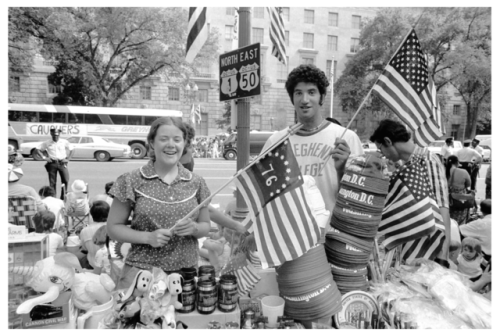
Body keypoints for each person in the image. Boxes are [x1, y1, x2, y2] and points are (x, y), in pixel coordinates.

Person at [107, 117, 211, 290]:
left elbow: (205, 225)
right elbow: (113, 228)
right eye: (164, 139)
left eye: (177, 139)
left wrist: (195, 229)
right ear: (151, 143)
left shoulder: (197, 182)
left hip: (185, 274)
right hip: (142, 273)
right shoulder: (131, 180)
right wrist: (147, 237)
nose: (171, 144)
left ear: (184, 144)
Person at [263, 64, 364, 228]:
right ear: (292, 98)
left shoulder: (347, 138)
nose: (304, 100)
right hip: (290, 235)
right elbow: (266, 196)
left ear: (322, 97)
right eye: (298, 93)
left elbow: (357, 200)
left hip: (332, 235)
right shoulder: (275, 142)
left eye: (311, 92)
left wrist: (341, 170)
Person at [369, 119, 451, 259]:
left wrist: (442, 255)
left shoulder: (427, 160)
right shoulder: (405, 163)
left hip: (428, 249)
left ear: (388, 141)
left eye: (380, 148)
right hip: (410, 248)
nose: (382, 154)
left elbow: (442, 207)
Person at [34, 128, 73, 199]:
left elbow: (72, 149)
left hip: (62, 163)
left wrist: (68, 159)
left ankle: (63, 197)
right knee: (52, 183)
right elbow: (37, 149)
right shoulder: (47, 142)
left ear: (59, 135)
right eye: (54, 135)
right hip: (52, 163)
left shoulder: (64, 142)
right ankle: (53, 198)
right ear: (51, 134)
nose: (56, 137)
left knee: (65, 180)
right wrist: (44, 158)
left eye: (57, 135)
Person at [79, 200, 109, 269]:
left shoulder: (84, 231)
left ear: (92, 214)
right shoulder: (113, 228)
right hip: (111, 266)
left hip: (92, 265)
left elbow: (84, 250)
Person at [446, 155, 472, 225]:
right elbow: (468, 184)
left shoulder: (443, 171)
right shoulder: (463, 172)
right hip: (460, 199)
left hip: (447, 198)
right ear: (457, 162)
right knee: (461, 218)